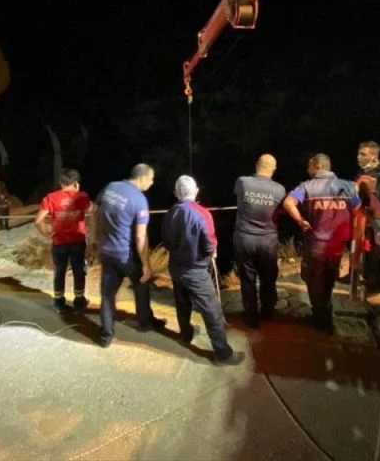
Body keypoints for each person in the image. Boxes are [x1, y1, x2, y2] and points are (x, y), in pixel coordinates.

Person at [162, 176, 245, 365]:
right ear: (196, 191)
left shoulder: (170, 213)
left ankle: (186, 334)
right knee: (212, 310)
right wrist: (211, 253)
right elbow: (210, 241)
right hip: (196, 271)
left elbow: (166, 242)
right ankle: (223, 354)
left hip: (176, 267)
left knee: (182, 303)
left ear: (176, 193)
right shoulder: (201, 212)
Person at [283, 154, 360, 333]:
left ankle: (321, 320)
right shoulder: (348, 187)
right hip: (337, 246)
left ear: (317, 167)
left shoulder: (306, 187)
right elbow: (358, 210)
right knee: (329, 279)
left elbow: (288, 203)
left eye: (309, 166)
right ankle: (326, 312)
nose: (307, 169)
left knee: (313, 280)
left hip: (316, 244)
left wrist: (301, 221)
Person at [94, 163, 165, 347]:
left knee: (107, 295)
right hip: (125, 254)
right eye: (151, 179)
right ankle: (145, 322)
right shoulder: (139, 200)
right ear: (142, 178)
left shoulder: (110, 187)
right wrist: (146, 264)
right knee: (142, 283)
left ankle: (106, 336)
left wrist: (95, 237)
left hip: (106, 251)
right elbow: (140, 236)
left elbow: (95, 211)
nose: (152, 183)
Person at [233, 154, 286, 327]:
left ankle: (251, 316)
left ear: (257, 165)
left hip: (245, 239)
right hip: (268, 241)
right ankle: (267, 312)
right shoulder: (279, 190)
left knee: (248, 279)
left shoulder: (242, 182)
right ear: (274, 169)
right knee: (268, 278)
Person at [36, 169, 92, 313]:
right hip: (77, 240)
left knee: (59, 271)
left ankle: (58, 302)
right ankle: (79, 300)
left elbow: (38, 221)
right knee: (79, 270)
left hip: (59, 241)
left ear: (60, 182)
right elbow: (92, 210)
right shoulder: (82, 196)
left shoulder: (50, 198)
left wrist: (45, 234)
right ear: (76, 183)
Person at [354, 140, 380, 291]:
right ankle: (366, 277)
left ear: (374, 157)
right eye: (358, 154)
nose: (359, 157)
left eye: (363, 154)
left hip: (379, 220)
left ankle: (377, 284)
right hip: (365, 219)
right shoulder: (363, 173)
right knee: (367, 251)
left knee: (376, 252)